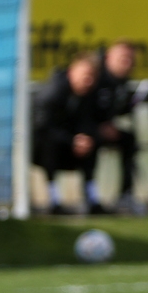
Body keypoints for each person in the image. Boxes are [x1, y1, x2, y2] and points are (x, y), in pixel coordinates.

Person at [32, 52, 106, 214]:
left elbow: (91, 120)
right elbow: (42, 126)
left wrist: (85, 138)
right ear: (72, 71)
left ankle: (92, 197)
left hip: (72, 148)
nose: (88, 81)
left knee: (94, 141)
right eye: (85, 75)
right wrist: (71, 140)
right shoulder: (54, 91)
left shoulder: (90, 94)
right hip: (41, 149)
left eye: (92, 77)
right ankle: (53, 199)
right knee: (49, 144)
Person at [93, 40, 145, 213]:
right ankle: (92, 196)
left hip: (108, 129)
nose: (127, 64)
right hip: (86, 129)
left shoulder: (122, 82)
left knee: (129, 139)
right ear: (108, 58)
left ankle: (126, 194)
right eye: (123, 58)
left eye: (130, 60)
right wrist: (98, 127)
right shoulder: (96, 77)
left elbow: (117, 109)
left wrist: (132, 103)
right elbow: (84, 108)